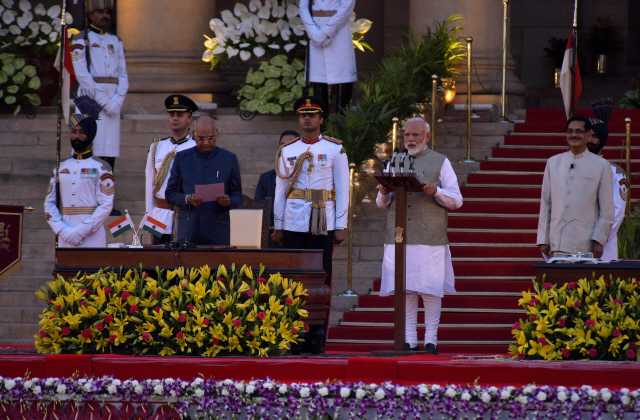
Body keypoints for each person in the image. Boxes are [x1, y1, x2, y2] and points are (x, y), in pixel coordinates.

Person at [376, 118, 463, 354]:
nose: (410, 139)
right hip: (399, 234)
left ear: (427, 137)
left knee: (430, 288)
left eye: (416, 135)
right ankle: (409, 341)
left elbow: (457, 200)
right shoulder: (394, 160)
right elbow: (381, 204)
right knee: (406, 289)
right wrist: (384, 191)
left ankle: (430, 341)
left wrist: (436, 191)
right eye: (407, 135)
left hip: (429, 235)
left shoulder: (440, 161)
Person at [273, 96, 350, 352]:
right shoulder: (287, 150)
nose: (307, 118)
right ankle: (293, 333)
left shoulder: (334, 149)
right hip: (294, 222)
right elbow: (280, 190)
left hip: (322, 220)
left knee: (322, 280)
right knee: (294, 281)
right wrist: (278, 224)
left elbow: (342, 189)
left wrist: (341, 224)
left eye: (312, 114)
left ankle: (317, 334)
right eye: (303, 114)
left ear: (321, 119)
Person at [537, 115, 615, 259]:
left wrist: (599, 240)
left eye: (579, 131)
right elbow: (546, 203)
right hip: (557, 241)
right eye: (570, 131)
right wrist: (543, 238)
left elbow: (607, 209)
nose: (574, 135)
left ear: (588, 135)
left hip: (585, 242)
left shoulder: (601, 165)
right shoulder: (553, 163)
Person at [70, 0, 128, 188]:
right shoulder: (80, 39)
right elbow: (82, 75)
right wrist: (105, 101)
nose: (105, 16)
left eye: (107, 12)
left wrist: (117, 102)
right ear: (90, 15)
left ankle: (106, 196)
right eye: (100, 12)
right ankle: (85, 195)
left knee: (109, 150)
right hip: (89, 99)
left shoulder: (115, 41)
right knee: (87, 146)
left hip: (112, 101)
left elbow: (123, 74)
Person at [44, 96, 114, 247]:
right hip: (65, 234)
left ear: (90, 135)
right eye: (74, 132)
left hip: (92, 235)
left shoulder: (102, 167)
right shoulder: (60, 167)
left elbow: (106, 204)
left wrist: (80, 232)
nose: (76, 136)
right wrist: (62, 230)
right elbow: (49, 203)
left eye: (82, 132)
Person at [165, 116, 242, 246]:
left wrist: (229, 200)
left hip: (218, 230)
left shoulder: (229, 158)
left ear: (216, 133)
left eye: (210, 138)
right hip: (189, 229)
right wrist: (187, 199)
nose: (206, 142)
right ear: (194, 134)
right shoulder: (182, 158)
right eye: (201, 138)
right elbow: (170, 194)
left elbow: (238, 196)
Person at [145, 95, 198, 245]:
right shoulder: (156, 147)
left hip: (186, 215)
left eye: (180, 115)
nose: (175, 118)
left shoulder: (195, 148)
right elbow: (150, 187)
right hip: (160, 216)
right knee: (160, 262)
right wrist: (150, 224)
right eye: (172, 115)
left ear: (190, 120)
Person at [587, 99, 629, 261]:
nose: (590, 140)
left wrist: (600, 239)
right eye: (588, 135)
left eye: (595, 136)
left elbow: (617, 212)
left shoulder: (615, 172)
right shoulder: (570, 166)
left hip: (604, 244)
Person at [299, 0, 356, 113]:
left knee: (342, 77)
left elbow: (347, 6)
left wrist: (326, 33)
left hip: (338, 32)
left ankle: (341, 126)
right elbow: (303, 7)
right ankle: (321, 127)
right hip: (315, 28)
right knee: (318, 80)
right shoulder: (315, 33)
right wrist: (313, 33)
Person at [254, 130, 300, 248]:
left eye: (291, 145)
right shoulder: (266, 178)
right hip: (271, 235)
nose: (286, 149)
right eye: (283, 145)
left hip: (300, 233)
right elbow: (258, 208)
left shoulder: (309, 178)